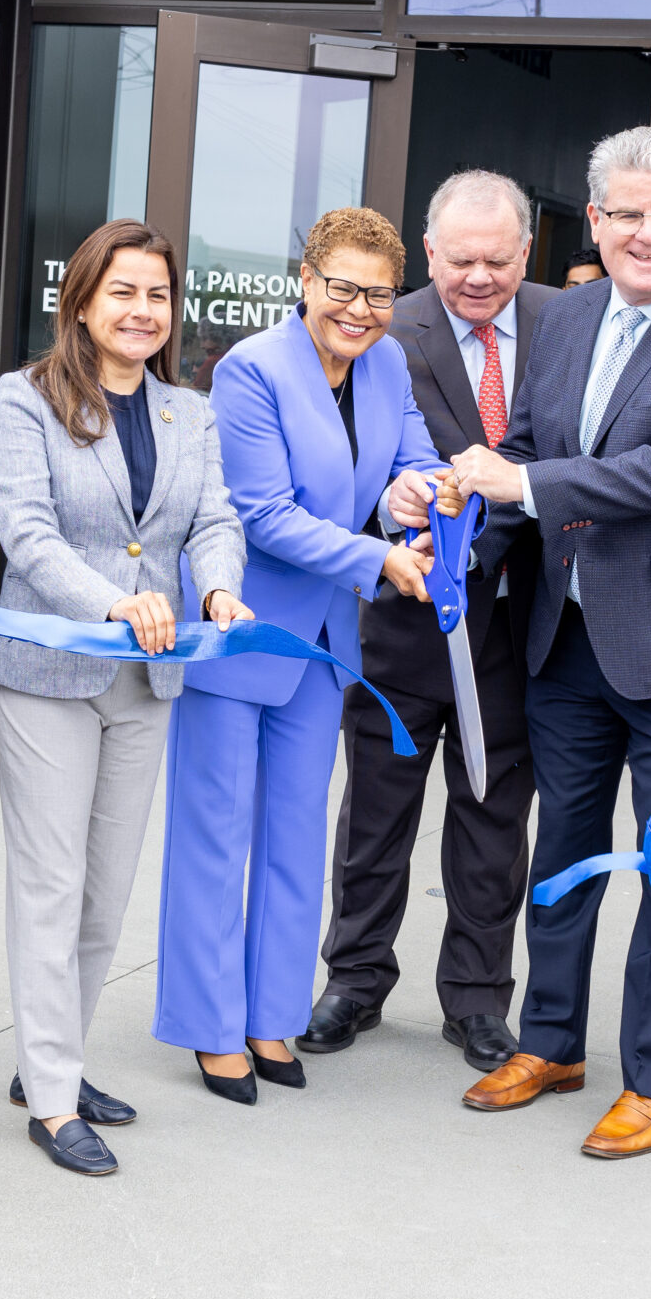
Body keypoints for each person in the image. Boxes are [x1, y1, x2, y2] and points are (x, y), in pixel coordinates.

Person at [430, 125, 651, 1159]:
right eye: (626, 213)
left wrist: (514, 482)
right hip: (566, 634)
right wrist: (453, 514)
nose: (647, 233)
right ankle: (551, 1042)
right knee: (564, 855)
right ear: (596, 221)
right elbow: (531, 447)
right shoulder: (568, 315)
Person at [154, 206, 443, 1103]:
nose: (360, 309)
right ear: (305, 281)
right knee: (216, 835)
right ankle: (210, 1027)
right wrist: (380, 558)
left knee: (295, 835)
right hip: (241, 630)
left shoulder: (387, 362)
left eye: (380, 294)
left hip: (325, 644)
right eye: (343, 288)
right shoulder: (250, 371)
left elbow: (415, 458)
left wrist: (420, 496)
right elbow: (266, 514)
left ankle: (271, 1014)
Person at [0, 219, 251, 1176]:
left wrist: (216, 586)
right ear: (83, 301)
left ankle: (51, 1057)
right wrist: (114, 602)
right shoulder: (27, 400)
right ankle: (53, 1101)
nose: (143, 312)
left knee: (105, 891)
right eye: (124, 292)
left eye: (158, 296)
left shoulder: (192, 411)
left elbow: (212, 519)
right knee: (51, 887)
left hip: (151, 677)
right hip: (53, 670)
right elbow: (24, 529)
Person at [307, 170, 555, 1072]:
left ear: (526, 253)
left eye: (498, 259)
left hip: (521, 623)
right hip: (403, 611)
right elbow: (339, 456)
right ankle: (355, 980)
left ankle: (479, 1002)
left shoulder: (567, 325)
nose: (479, 278)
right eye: (459, 260)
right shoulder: (381, 323)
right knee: (376, 811)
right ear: (430, 249)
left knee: (494, 818)